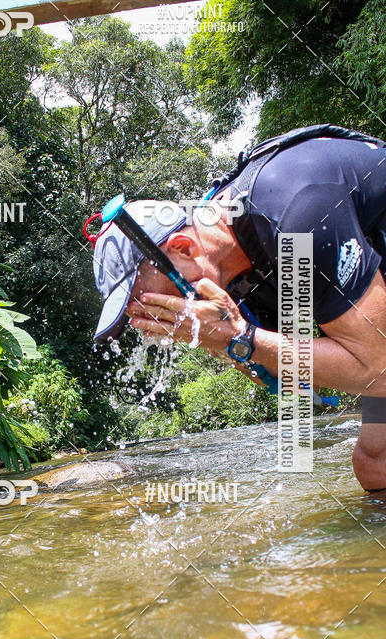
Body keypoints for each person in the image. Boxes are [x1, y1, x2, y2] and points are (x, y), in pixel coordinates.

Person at [91, 127, 386, 490]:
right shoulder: (234, 271)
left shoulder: (294, 219)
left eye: (151, 301)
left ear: (184, 249)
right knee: (375, 464)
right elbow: (300, 380)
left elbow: (379, 370)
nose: (153, 318)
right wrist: (224, 342)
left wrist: (240, 338)